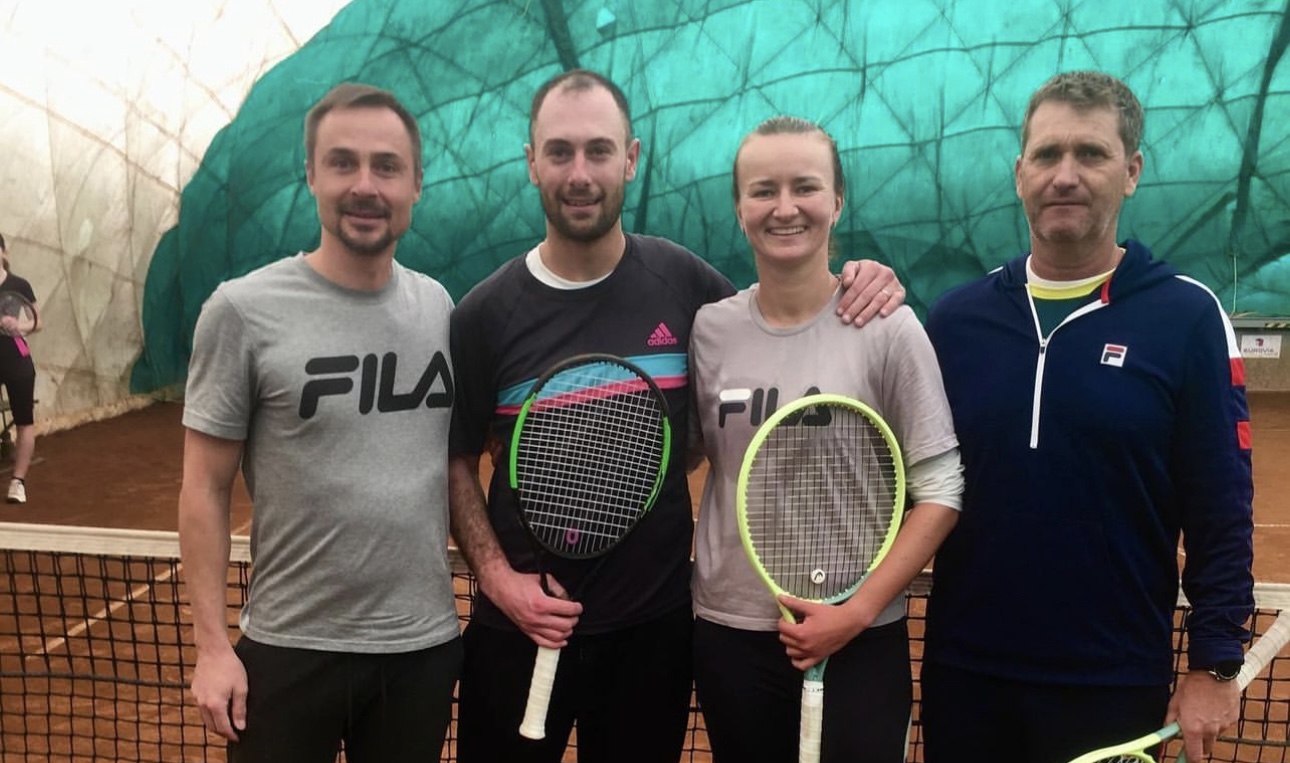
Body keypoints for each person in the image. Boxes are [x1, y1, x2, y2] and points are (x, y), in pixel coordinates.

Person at [446, 70, 906, 763]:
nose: (580, 173)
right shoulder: (483, 313)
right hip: (517, 630)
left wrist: (858, 278)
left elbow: (778, 321)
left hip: (652, 636)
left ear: (631, 159)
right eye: (560, 152)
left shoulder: (687, 285)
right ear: (531, 161)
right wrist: (497, 578)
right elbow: (456, 456)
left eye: (600, 151)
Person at [921, 70, 1254, 763]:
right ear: (1020, 173)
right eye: (1047, 154)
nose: (1065, 175)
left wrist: (1216, 663)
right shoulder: (954, 322)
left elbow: (1221, 505)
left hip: (1115, 682)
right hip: (965, 676)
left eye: (1091, 154)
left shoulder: (1188, 316)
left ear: (1131, 172)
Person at [178, 83, 462, 762]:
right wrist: (212, 647)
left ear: (416, 184)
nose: (365, 185)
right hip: (289, 650)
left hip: (419, 650)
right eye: (342, 163)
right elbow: (204, 487)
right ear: (310, 175)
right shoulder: (240, 311)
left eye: (386, 166)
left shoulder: (439, 308)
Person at [688, 116, 963, 762]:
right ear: (739, 208)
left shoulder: (889, 328)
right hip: (733, 631)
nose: (784, 208)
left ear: (837, 201)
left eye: (805, 187)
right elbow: (697, 453)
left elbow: (941, 489)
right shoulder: (709, 330)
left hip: (857, 636)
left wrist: (856, 611)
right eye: (763, 190)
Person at [0, 233, 39, 504]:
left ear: (4, 252)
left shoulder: (19, 285)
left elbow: (38, 321)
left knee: (24, 421)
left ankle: (18, 482)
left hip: (16, 358)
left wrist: (18, 325)